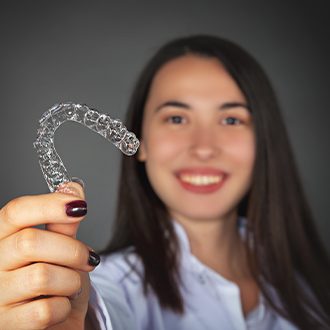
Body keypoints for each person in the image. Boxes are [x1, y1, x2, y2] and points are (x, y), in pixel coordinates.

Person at [0, 35, 329, 330]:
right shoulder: (114, 287)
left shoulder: (311, 282)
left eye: (231, 119)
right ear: (140, 142)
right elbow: (99, 315)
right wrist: (77, 320)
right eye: (176, 118)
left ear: (264, 140)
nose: (203, 147)